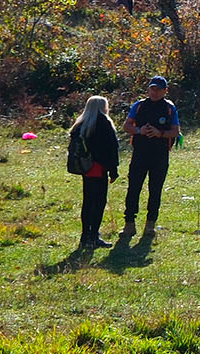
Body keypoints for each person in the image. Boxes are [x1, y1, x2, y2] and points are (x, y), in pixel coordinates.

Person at [122, 74, 180, 235]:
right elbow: (126, 126)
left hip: (160, 155)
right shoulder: (139, 105)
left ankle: (150, 225)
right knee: (133, 187)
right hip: (139, 153)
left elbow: (175, 132)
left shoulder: (169, 108)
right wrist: (140, 130)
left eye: (158, 90)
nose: (154, 92)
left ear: (165, 91)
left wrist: (159, 133)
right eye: (152, 89)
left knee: (155, 189)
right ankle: (129, 223)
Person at [67, 94, 120, 250]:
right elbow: (112, 150)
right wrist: (113, 170)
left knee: (88, 201)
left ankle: (85, 236)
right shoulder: (105, 123)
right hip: (99, 168)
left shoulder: (80, 124)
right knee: (99, 202)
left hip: (85, 168)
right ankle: (94, 235)